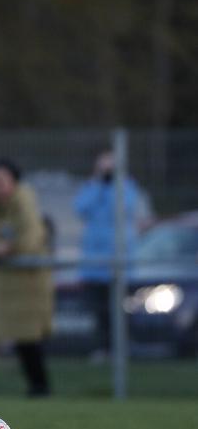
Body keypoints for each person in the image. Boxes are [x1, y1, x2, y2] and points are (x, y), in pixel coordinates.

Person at [0, 159, 53, 396]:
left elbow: (29, 240)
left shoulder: (24, 202)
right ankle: (36, 388)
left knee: (30, 337)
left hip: (29, 284)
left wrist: (4, 247)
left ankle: (40, 387)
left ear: (14, 180)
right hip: (7, 285)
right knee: (21, 338)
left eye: (1, 179)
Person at [74, 149, 152, 356]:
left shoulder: (127, 187)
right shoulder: (92, 187)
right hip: (94, 264)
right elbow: (81, 208)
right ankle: (104, 348)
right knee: (99, 310)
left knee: (120, 309)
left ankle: (122, 348)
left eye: (111, 168)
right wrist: (99, 183)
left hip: (119, 262)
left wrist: (114, 184)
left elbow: (124, 207)